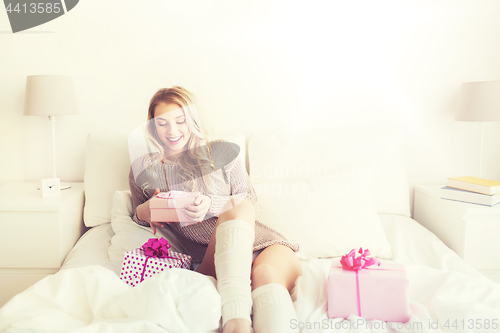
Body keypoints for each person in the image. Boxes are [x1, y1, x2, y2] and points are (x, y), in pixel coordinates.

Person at [128, 86, 302, 333]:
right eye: (163, 123)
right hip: (212, 256)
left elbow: (248, 199)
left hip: (264, 245)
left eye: (181, 121)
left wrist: (210, 205)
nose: (173, 130)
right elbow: (138, 214)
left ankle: (237, 322)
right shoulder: (144, 169)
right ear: (153, 126)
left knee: (264, 273)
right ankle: (237, 321)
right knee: (238, 232)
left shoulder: (219, 152)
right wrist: (147, 210)